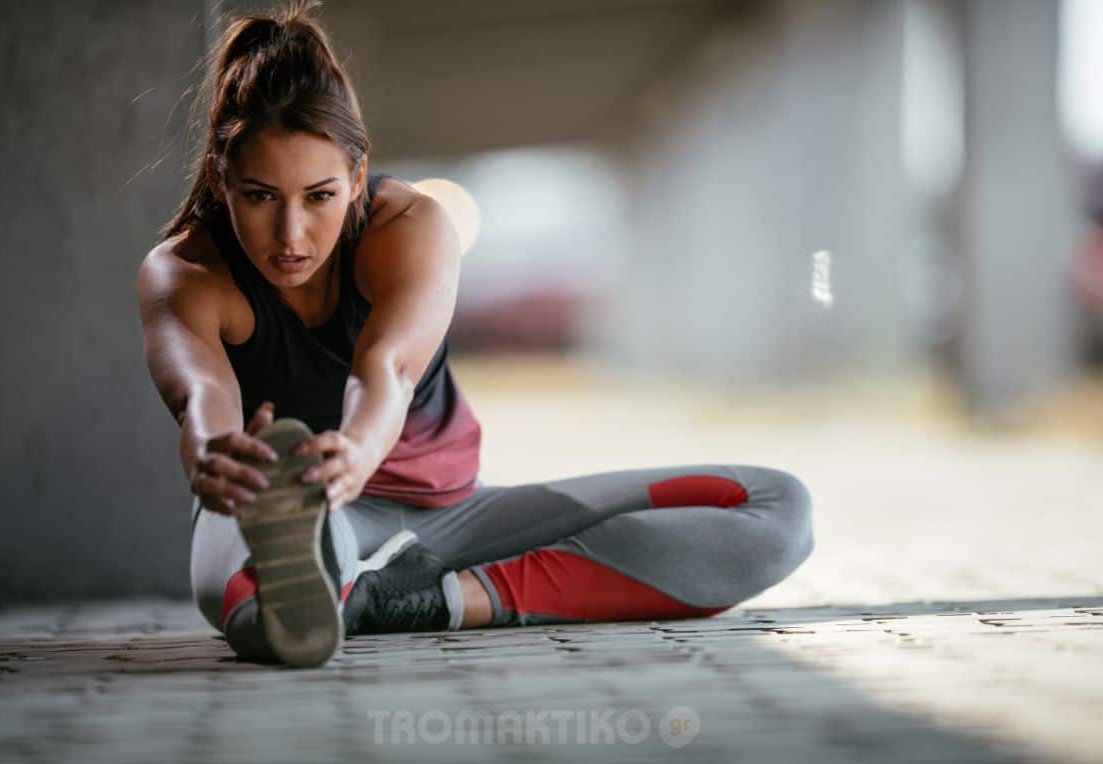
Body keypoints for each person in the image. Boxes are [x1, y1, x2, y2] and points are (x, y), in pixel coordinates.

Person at [136, 0, 815, 667]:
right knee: (264, 608)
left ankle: (418, 600)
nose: (292, 234)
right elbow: (201, 393)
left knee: (775, 510)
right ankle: (329, 581)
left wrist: (355, 450)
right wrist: (211, 455)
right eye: (260, 196)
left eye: (319, 197)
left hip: (459, 517)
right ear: (224, 183)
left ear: (357, 177)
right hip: (305, 511)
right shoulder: (187, 273)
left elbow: (388, 369)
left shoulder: (407, 228)